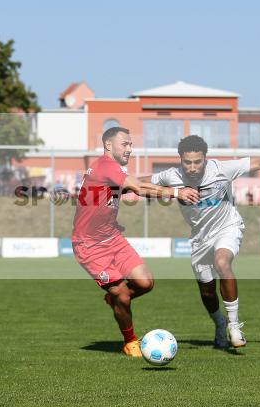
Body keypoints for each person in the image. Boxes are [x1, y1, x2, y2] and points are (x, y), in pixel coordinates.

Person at [148, 135, 260, 349]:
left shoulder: (222, 169)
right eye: (187, 162)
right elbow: (140, 182)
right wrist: (117, 184)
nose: (193, 167)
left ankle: (234, 325)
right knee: (207, 291)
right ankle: (219, 323)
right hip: (200, 238)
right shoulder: (172, 176)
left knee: (222, 263)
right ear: (180, 160)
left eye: (198, 162)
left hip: (228, 226)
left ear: (205, 159)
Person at [73, 127, 199, 357]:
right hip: (90, 246)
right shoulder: (106, 165)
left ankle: (114, 299)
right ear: (108, 145)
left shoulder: (109, 170)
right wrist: (177, 193)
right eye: (125, 144)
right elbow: (139, 188)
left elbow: (136, 187)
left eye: (131, 144)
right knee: (122, 293)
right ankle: (130, 341)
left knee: (145, 283)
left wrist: (161, 185)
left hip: (112, 238)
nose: (129, 149)